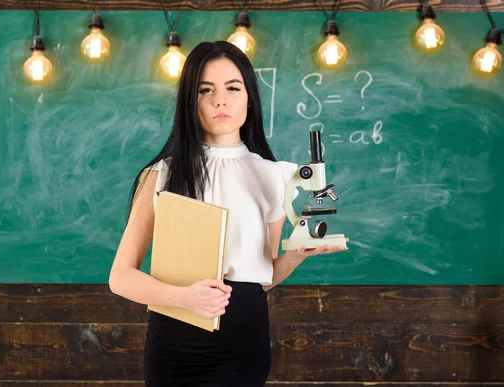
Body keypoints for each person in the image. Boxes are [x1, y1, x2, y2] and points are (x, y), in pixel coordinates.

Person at [109, 41, 347, 387]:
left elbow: (263, 277)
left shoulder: (273, 175)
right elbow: (120, 277)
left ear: (249, 97)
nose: (221, 100)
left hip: (243, 342)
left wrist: (296, 256)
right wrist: (185, 298)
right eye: (206, 90)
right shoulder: (161, 175)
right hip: (175, 342)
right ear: (190, 102)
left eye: (232, 88)